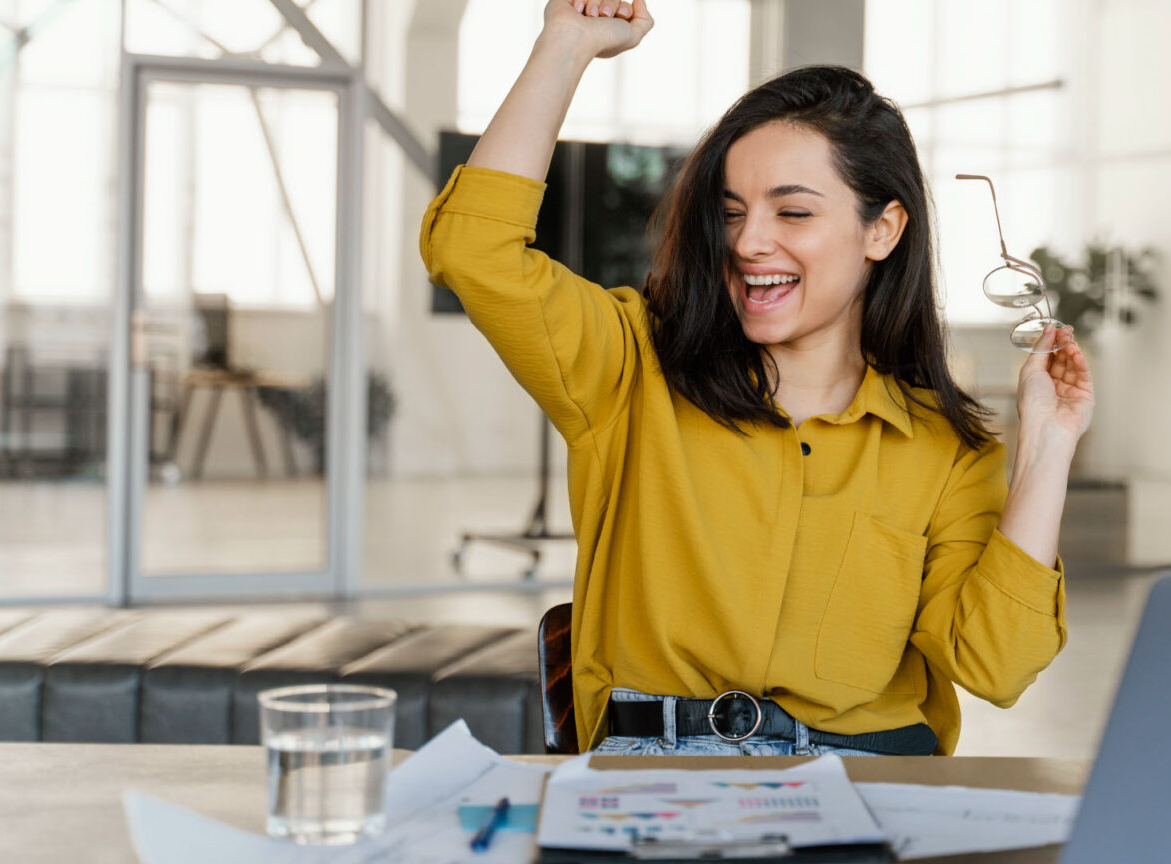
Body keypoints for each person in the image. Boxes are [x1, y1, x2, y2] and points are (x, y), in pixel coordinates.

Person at [420, 0, 1094, 756]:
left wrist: (1047, 446)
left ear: (883, 229)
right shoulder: (630, 368)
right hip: (655, 772)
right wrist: (567, 44)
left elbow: (996, 666)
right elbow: (473, 253)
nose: (749, 241)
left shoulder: (944, 449)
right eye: (733, 211)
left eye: (793, 212)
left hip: (863, 774)